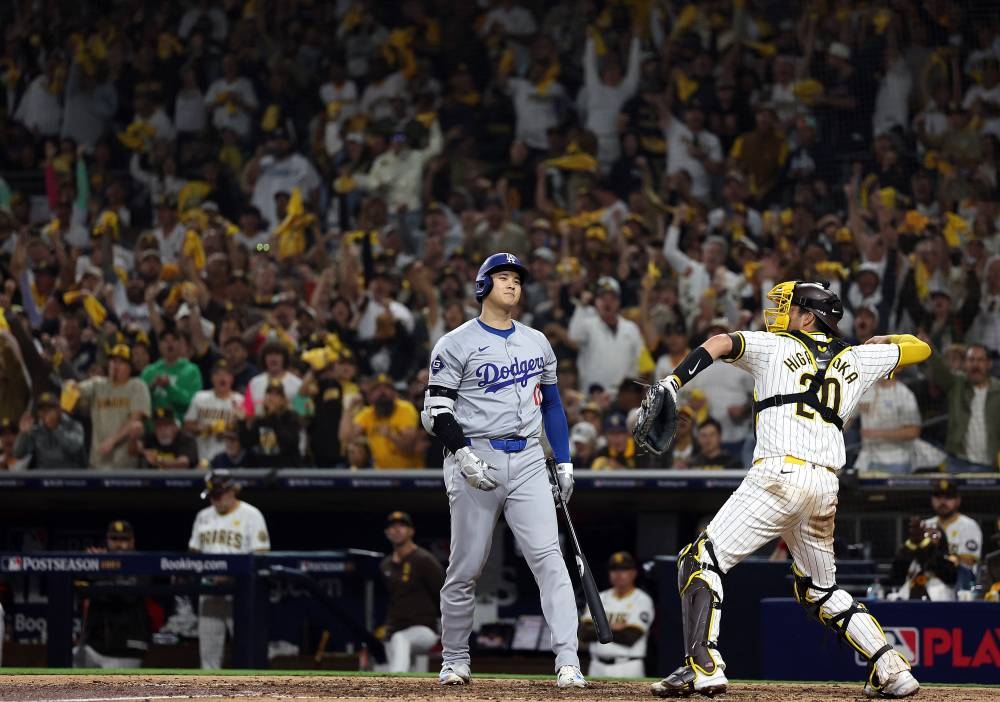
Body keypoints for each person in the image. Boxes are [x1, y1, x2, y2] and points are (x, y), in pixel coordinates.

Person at [646, 281, 928, 698]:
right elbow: (922, 348)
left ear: (809, 317)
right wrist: (886, 341)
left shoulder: (775, 345)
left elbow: (720, 341)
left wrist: (672, 381)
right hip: (825, 485)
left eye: (790, 308)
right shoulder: (860, 356)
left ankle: (702, 665)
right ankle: (892, 667)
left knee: (699, 558)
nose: (781, 314)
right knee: (820, 589)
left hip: (779, 476)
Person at [421, 253, 585, 688]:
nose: (512, 285)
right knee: (467, 566)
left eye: (516, 279)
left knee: (550, 560)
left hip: (530, 459)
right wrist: (462, 454)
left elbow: (552, 404)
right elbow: (435, 410)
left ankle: (568, 660)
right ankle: (455, 658)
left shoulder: (537, 341)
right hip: (476, 457)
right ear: (482, 287)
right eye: (503, 278)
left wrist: (564, 460)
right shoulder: (455, 342)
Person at [188, 470, 270, 669]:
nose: (214, 500)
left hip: (241, 593)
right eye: (211, 496)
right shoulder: (203, 516)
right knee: (208, 655)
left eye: (218, 494)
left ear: (232, 489)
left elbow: (260, 556)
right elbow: (193, 553)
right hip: (209, 592)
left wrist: (231, 576)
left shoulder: (251, 515)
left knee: (248, 651)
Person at [74, 520, 151, 668]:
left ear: (132, 542)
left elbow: (127, 596)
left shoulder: (143, 563)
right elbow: (79, 587)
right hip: (94, 646)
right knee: (66, 669)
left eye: (124, 539)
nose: (119, 544)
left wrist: (104, 570)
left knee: (115, 691)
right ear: (107, 541)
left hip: (127, 648)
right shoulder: (98, 563)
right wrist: (89, 563)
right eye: (114, 539)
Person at [378, 511, 446, 672]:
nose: (396, 530)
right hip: (394, 630)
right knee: (411, 671)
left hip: (424, 630)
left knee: (401, 640)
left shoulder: (424, 559)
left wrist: (447, 627)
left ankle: (396, 684)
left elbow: (442, 593)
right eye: (392, 527)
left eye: (402, 526)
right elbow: (394, 599)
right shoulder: (386, 565)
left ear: (411, 531)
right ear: (387, 533)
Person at [922, 343, 1000, 472]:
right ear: (965, 364)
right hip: (958, 462)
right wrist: (929, 348)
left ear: (989, 364)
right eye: (971, 360)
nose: (975, 365)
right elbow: (940, 370)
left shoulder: (998, 390)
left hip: (990, 464)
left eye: (980, 360)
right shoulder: (956, 385)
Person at [73, 344, 151, 469]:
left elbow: (135, 419)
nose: (115, 366)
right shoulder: (98, 384)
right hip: (97, 461)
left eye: (121, 362)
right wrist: (70, 385)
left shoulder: (137, 386)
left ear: (130, 367)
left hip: (123, 462)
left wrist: (112, 441)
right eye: (113, 361)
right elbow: (76, 389)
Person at [580, 551, 654, 679]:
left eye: (624, 570)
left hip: (628, 666)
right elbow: (584, 633)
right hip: (596, 666)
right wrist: (613, 627)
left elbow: (629, 637)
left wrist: (600, 628)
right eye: (614, 570)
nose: (618, 574)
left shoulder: (642, 600)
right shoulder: (599, 598)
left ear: (633, 573)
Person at [342, 374, 421, 469]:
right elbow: (346, 438)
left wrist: (390, 435)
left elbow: (409, 448)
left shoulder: (406, 409)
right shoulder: (367, 414)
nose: (382, 391)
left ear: (394, 393)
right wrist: (349, 409)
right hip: (381, 475)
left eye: (387, 387)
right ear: (369, 396)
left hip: (409, 474)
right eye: (376, 389)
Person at [13, 392, 86, 468]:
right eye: (42, 409)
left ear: (59, 410)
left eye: (50, 408)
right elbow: (18, 454)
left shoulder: (74, 426)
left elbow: (75, 447)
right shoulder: (36, 431)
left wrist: (56, 428)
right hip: (44, 477)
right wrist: (23, 434)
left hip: (71, 477)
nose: (46, 413)